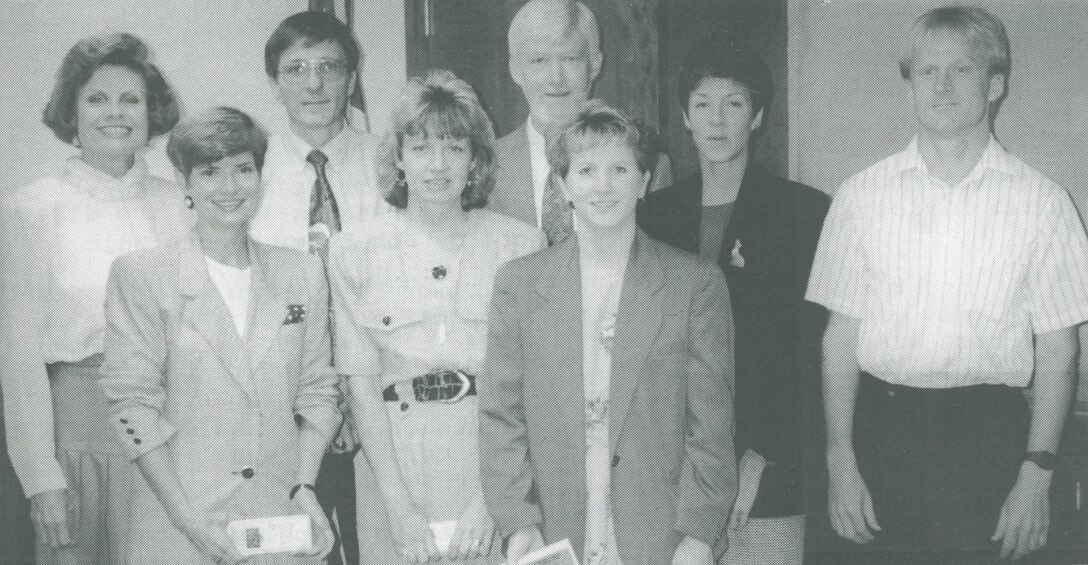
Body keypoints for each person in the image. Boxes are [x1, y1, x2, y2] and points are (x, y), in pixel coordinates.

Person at [806, 6, 1088, 564]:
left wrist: (1037, 472)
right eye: (926, 71)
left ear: (996, 84)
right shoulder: (860, 198)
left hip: (992, 441)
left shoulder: (1043, 203)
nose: (941, 85)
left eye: (960, 70)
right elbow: (840, 340)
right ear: (909, 85)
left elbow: (1060, 346)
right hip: (882, 435)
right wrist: (840, 459)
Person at [479, 101, 736, 565]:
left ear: (644, 183)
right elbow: (501, 416)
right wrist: (519, 523)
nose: (602, 186)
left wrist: (698, 536)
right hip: (554, 530)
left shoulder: (694, 284)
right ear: (563, 185)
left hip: (659, 533)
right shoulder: (519, 284)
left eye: (620, 169)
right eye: (586, 170)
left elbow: (712, 426)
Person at [100, 107, 340, 565]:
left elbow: (318, 391)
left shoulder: (303, 273)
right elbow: (132, 405)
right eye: (210, 173)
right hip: (181, 522)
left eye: (243, 170)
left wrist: (304, 487)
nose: (229, 188)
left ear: (260, 176)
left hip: (280, 518)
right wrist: (187, 520)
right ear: (185, 183)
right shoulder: (142, 275)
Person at [328, 69, 544, 565]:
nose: (438, 164)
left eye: (454, 146)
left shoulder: (520, 246)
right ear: (399, 158)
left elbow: (531, 384)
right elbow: (360, 385)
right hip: (393, 463)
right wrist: (399, 509)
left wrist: (492, 498)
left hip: (491, 455)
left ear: (476, 160)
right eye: (422, 147)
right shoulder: (352, 252)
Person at [639, 38, 829, 565]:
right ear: (685, 117)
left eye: (735, 103)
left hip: (768, 472)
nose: (717, 120)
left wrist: (757, 459)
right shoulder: (652, 216)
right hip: (669, 474)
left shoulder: (803, 212)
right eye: (702, 104)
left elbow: (807, 353)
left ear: (758, 115)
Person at [0, 32, 183, 565]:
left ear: (151, 111)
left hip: (174, 432)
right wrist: (40, 479)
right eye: (96, 98)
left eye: (131, 99)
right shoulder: (32, 210)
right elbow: (18, 357)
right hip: (77, 436)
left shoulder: (182, 204)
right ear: (71, 110)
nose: (115, 113)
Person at [251, 12, 386, 565]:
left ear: (352, 78)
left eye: (330, 68)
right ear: (274, 83)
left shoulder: (394, 163)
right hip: (287, 414)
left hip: (379, 407)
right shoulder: (247, 174)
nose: (314, 84)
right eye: (296, 69)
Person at [490, 0, 672, 245]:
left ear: (595, 65)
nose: (556, 78)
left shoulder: (650, 164)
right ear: (515, 69)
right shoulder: (486, 164)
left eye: (570, 58)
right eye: (539, 60)